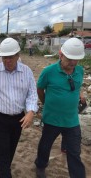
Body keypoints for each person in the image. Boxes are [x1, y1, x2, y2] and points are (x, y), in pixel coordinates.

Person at [0, 37, 38, 178]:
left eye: (10, 57)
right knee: (2, 149)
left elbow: (32, 94)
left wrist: (30, 112)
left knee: (10, 149)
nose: (7, 61)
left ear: (18, 55)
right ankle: (4, 174)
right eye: (4, 58)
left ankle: (4, 170)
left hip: (18, 118)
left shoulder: (27, 72)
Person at [35, 38, 86, 178]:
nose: (73, 63)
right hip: (52, 119)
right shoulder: (49, 72)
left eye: (76, 59)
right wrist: (46, 103)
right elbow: (40, 89)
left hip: (72, 120)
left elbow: (78, 86)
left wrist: (80, 95)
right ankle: (40, 166)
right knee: (45, 146)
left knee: (74, 152)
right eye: (70, 59)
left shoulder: (80, 71)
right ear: (61, 54)